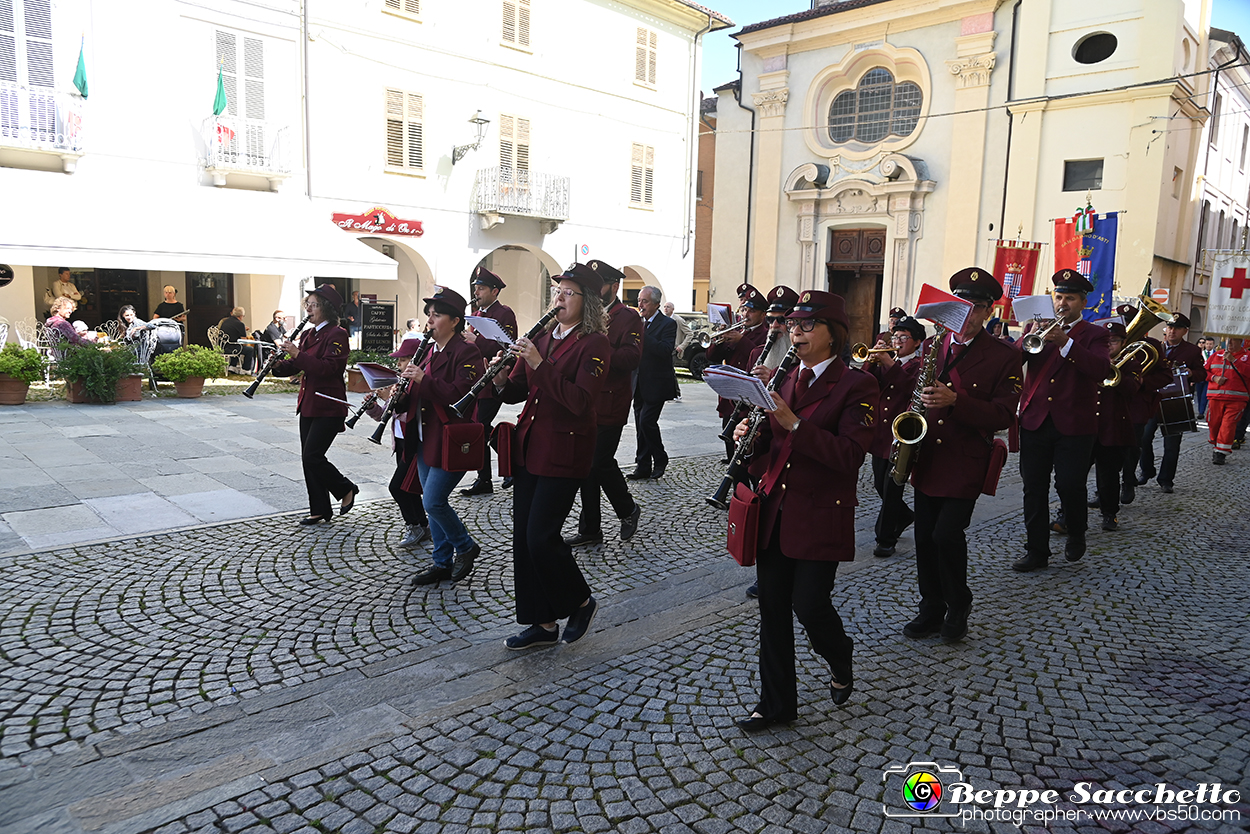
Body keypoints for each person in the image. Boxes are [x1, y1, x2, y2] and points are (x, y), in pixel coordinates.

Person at [731, 290, 878, 732]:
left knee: (809, 604)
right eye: (793, 324)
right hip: (776, 508)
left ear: (833, 335)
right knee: (772, 608)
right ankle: (775, 704)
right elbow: (770, 448)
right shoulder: (783, 378)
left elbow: (850, 455)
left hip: (820, 511)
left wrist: (794, 422)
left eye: (807, 324)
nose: (795, 330)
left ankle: (839, 653)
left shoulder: (858, 385)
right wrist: (749, 435)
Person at [494, 263, 611, 650]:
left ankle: (580, 600)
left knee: (541, 536)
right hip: (531, 445)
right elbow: (518, 390)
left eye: (567, 293)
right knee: (522, 540)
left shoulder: (595, 344)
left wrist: (538, 365)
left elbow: (579, 402)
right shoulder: (543, 337)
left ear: (587, 302)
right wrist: (499, 376)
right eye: (557, 292)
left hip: (565, 450)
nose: (558, 299)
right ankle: (541, 624)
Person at [903, 268, 1020, 642]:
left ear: (987, 311)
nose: (965, 316)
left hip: (966, 458)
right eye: (959, 306)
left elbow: (1004, 414)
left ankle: (958, 603)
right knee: (924, 536)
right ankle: (930, 607)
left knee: (946, 535)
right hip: (928, 455)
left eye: (974, 308)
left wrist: (957, 401)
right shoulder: (931, 346)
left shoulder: (1003, 355)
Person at [1013, 269, 1112, 572]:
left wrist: (1066, 342)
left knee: (1070, 484)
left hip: (1074, 423)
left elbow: (1100, 370)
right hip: (1035, 420)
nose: (1062, 302)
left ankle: (1076, 531)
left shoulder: (1096, 334)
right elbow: (1014, 360)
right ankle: (1037, 550)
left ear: (1083, 302)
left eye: (1070, 297)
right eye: (1059, 296)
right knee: (1034, 488)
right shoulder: (1036, 327)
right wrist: (1028, 336)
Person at [395, 287, 487, 585]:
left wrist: (424, 379)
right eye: (429, 315)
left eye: (437, 315)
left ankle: (465, 546)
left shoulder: (467, 352)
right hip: (424, 434)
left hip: (451, 436)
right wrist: (397, 392)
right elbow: (418, 393)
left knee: (434, 500)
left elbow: (461, 395)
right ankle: (441, 562)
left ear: (455, 321)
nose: (430, 321)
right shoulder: (428, 351)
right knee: (428, 500)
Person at [568, 261, 643, 546]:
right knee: (586, 464)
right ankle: (590, 529)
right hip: (585, 399)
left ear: (614, 286)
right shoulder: (583, 313)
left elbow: (631, 359)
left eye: (600, 284)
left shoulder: (628, 317)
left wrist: (597, 346)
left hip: (611, 402)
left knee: (598, 462)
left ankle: (627, 508)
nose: (594, 290)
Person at [270, 284, 357, 525]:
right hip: (308, 402)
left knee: (313, 456)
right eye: (307, 303)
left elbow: (328, 369)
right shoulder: (309, 335)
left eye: (314, 304)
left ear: (326, 309)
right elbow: (297, 366)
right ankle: (319, 509)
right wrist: (278, 365)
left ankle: (346, 488)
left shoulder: (337, 334)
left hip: (329, 404)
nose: (308, 307)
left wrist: (297, 354)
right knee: (307, 458)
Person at [865, 315, 926, 559]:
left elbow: (911, 387)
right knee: (880, 484)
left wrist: (888, 363)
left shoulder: (919, 364)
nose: (898, 341)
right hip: (880, 433)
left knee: (892, 489)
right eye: (895, 336)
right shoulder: (887, 361)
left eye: (904, 337)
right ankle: (903, 516)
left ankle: (885, 539)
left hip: (901, 434)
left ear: (917, 342)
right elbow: (866, 381)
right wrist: (873, 360)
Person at [364, 339, 431, 549]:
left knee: (397, 487)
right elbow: (386, 416)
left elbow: (409, 415)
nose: (399, 364)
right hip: (401, 443)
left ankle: (414, 525)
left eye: (403, 360)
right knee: (408, 488)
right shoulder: (400, 383)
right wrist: (373, 406)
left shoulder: (417, 385)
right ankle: (422, 524)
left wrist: (389, 400)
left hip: (414, 442)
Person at [461, 267, 519, 496]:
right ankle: (493, 473)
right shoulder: (478, 314)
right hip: (477, 380)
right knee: (481, 429)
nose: (477, 292)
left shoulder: (504, 313)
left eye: (482, 288)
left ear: (495, 291)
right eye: (476, 288)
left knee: (479, 428)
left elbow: (508, 347)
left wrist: (477, 341)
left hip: (494, 378)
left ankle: (506, 468)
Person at [1135, 314, 1205, 493]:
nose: (1172, 331)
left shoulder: (1192, 351)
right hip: (1153, 399)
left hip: (1176, 401)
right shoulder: (1155, 347)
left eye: (1177, 328)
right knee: (1143, 438)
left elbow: (1202, 374)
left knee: (1171, 444)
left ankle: (1166, 479)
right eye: (1170, 327)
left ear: (1185, 331)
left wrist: (1191, 373)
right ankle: (1147, 470)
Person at [1086, 322, 1143, 532]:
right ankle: (1067, 513)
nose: (1109, 345)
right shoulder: (1092, 359)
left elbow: (1132, 389)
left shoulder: (1132, 364)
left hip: (1114, 428)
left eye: (1114, 341)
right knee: (1074, 474)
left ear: (1123, 343)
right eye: (1106, 341)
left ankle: (1110, 514)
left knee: (1109, 476)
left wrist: (1113, 370)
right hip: (1086, 425)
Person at [707, 285, 768, 460]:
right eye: (743, 309)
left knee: (750, 456)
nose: (745, 315)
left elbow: (759, 356)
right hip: (730, 400)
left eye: (751, 311)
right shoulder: (737, 331)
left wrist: (741, 340)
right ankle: (736, 487)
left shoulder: (766, 334)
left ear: (763, 315)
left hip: (750, 401)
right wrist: (718, 339)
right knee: (731, 450)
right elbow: (712, 357)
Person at [633, 284, 679, 481]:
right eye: (639, 301)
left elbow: (665, 350)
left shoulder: (667, 324)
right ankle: (642, 466)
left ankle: (660, 458)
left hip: (657, 384)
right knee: (639, 425)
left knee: (647, 422)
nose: (640, 305)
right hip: (638, 383)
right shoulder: (638, 322)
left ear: (656, 304)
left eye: (644, 301)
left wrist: (643, 335)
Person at [1204, 337, 1249, 465]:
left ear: (1241, 341)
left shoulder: (1247, 356)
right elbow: (1204, 371)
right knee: (1213, 423)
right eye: (1228, 340)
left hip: (1237, 398)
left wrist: (1234, 361)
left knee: (1228, 425)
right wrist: (1214, 378)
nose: (1230, 343)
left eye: (1234, 340)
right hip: (1215, 396)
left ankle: (1220, 452)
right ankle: (1216, 443)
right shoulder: (1216, 355)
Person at [216, 307, 255, 372]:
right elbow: (244, 342)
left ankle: (232, 366)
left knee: (237, 344)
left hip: (222, 347)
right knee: (249, 349)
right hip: (232, 349)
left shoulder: (225, 321)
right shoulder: (240, 324)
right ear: (241, 316)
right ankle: (246, 369)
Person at [1195, 336, 1212, 420]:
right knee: (1199, 395)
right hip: (1200, 377)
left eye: (1210, 344)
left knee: (1204, 395)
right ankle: (1199, 410)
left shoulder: (1215, 353)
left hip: (1209, 378)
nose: (1208, 345)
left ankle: (1201, 412)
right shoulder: (1200, 353)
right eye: (1207, 344)